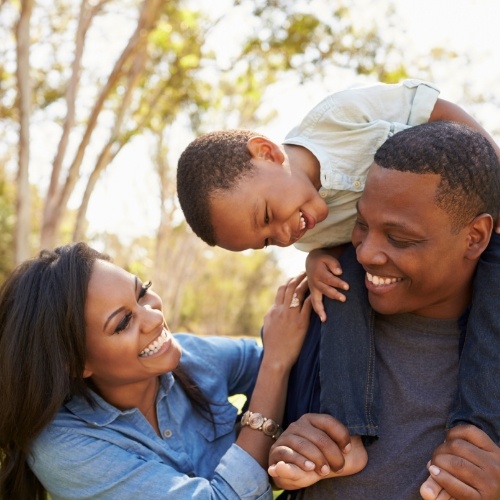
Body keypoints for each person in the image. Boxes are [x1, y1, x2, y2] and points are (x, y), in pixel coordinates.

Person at [176, 79, 500, 449]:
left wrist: (492, 176)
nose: (283, 237)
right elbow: (340, 247)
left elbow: (434, 107)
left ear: (266, 152)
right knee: (339, 285)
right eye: (266, 242)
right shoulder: (309, 232)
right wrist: (317, 260)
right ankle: (345, 431)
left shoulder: (337, 119)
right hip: (391, 271)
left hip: (459, 210)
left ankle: (480, 432)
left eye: (267, 216)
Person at [0, 242, 365, 500]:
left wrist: (323, 258)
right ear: (76, 363)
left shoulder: (191, 357)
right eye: (123, 322)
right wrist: (274, 366)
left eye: (142, 291)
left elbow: (298, 364)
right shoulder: (66, 449)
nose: (155, 316)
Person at [267, 121, 500, 499]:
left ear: (474, 237)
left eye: (399, 238)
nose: (366, 253)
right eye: (361, 224)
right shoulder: (313, 321)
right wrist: (286, 456)